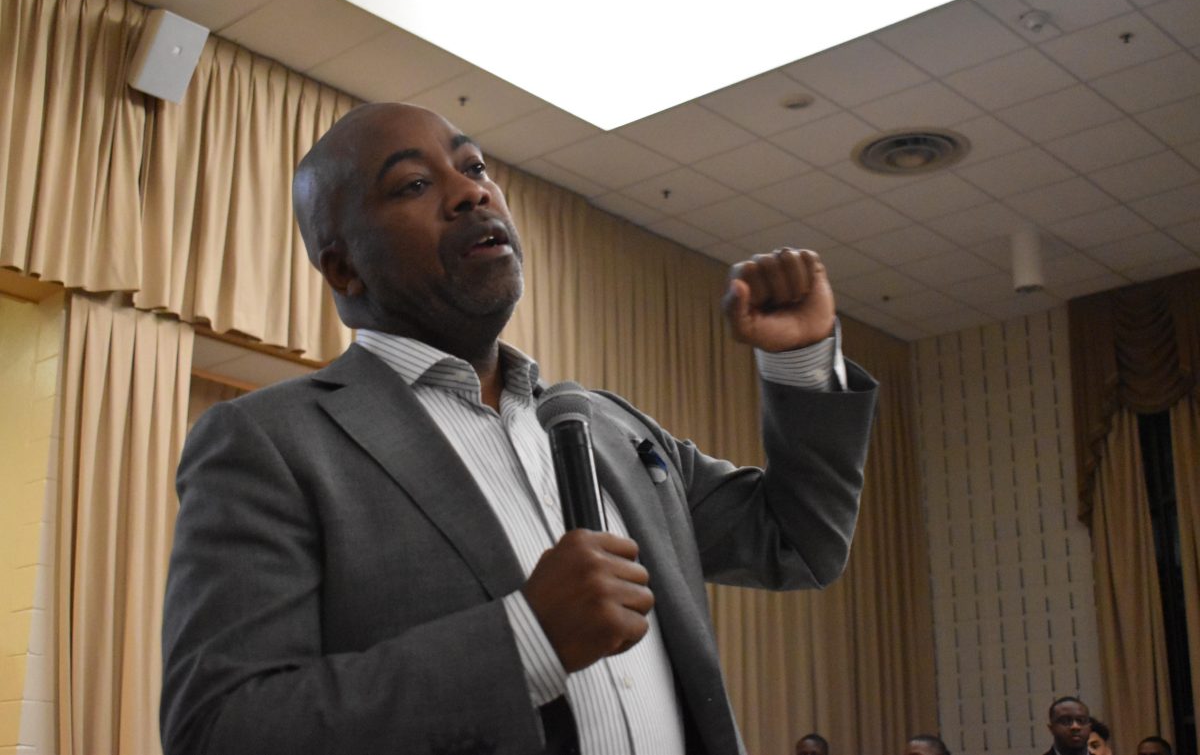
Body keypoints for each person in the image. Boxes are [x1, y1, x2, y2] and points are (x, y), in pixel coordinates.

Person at [159, 102, 878, 755]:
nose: (472, 191)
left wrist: (801, 363)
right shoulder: (271, 442)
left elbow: (798, 542)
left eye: (474, 167)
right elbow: (219, 728)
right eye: (413, 185)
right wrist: (527, 637)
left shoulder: (605, 426)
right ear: (344, 268)